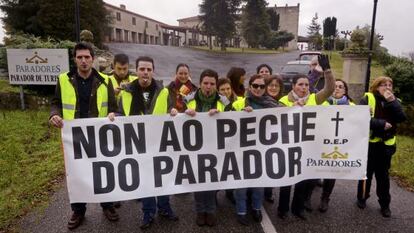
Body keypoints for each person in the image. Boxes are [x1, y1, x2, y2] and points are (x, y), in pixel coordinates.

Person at [49, 42, 119, 230]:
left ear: (93, 59)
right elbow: (55, 102)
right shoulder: (63, 79)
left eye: (87, 57)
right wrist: (54, 114)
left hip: (100, 135)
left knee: (103, 170)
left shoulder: (105, 80)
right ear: (74, 59)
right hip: (75, 137)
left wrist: (114, 115)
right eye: (80, 57)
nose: (84, 60)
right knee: (77, 174)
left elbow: (114, 108)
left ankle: (107, 206)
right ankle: (78, 211)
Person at [117, 56, 178, 229]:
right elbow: (121, 113)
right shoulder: (126, 92)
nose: (145, 72)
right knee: (145, 180)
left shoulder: (164, 91)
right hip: (138, 144)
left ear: (153, 71)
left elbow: (169, 111)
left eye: (149, 69)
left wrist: (173, 111)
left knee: (163, 178)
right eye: (142, 69)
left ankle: (165, 208)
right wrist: (115, 116)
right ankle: (148, 212)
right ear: (136, 70)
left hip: (160, 143)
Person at [278, 54, 335, 220]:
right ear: (293, 86)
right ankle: (283, 210)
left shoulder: (314, 98)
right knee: (287, 181)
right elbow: (277, 121)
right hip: (288, 147)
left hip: (308, 147)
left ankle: (298, 208)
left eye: (306, 84)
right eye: (300, 85)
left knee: (302, 181)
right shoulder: (284, 100)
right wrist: (292, 109)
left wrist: (327, 71)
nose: (304, 87)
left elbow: (330, 89)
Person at [231, 74, 281, 226]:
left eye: (261, 86)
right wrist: (240, 115)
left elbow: (288, 117)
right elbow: (226, 123)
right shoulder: (239, 103)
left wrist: (298, 108)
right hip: (241, 151)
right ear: (249, 87)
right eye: (255, 86)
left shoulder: (273, 104)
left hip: (262, 151)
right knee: (241, 185)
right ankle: (241, 211)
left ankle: (256, 207)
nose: (258, 89)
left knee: (259, 183)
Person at [356, 76, 406, 217]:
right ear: (376, 87)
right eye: (383, 84)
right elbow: (359, 118)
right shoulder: (368, 98)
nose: (387, 87)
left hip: (386, 146)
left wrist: (392, 101)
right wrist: (380, 124)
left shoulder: (395, 101)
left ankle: (385, 204)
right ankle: (362, 197)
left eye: (390, 84)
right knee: (366, 174)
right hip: (369, 144)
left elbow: (401, 118)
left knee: (383, 177)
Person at [183, 69, 227, 227]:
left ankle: (211, 211)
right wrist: (184, 113)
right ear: (200, 83)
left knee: (212, 183)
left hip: (216, 149)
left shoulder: (224, 101)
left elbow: (236, 118)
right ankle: (201, 211)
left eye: (212, 84)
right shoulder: (188, 99)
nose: (209, 86)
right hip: (195, 149)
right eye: (205, 83)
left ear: (216, 84)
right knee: (199, 183)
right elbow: (175, 117)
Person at [318, 79, 355, 213]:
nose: (337, 89)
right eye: (335, 86)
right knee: (314, 167)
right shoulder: (321, 103)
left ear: (345, 91)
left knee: (331, 171)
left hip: (338, 145)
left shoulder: (352, 107)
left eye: (340, 87)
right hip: (319, 142)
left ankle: (325, 198)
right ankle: (307, 196)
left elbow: (357, 125)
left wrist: (366, 115)